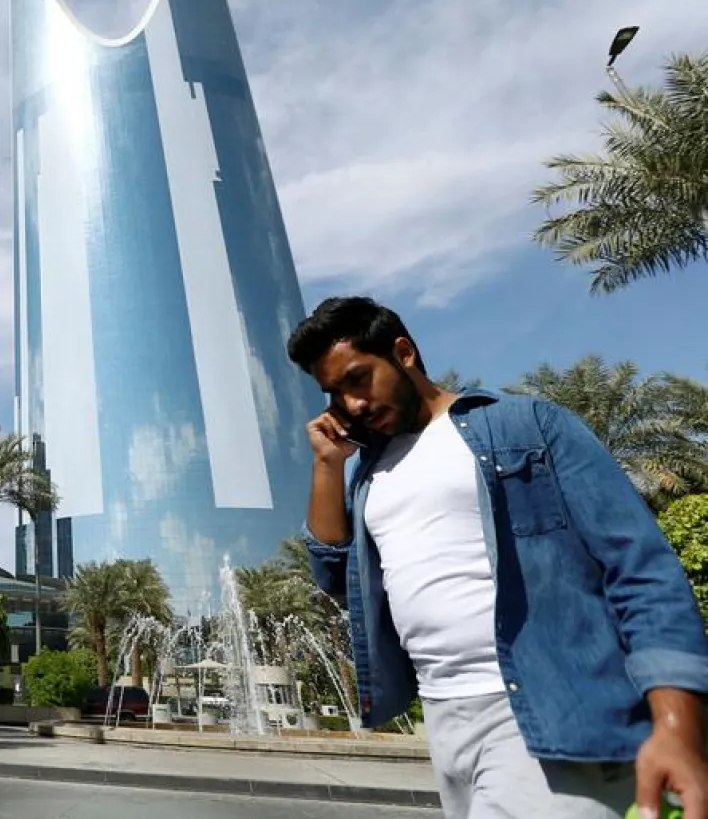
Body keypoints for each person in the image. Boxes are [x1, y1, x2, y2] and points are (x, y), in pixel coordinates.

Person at [286, 296, 708, 819]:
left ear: (403, 353)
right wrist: (328, 466)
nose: (350, 405)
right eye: (334, 393)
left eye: (357, 379)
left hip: (544, 707)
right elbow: (335, 577)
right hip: (444, 718)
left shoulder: (525, 426)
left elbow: (639, 568)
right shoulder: (369, 476)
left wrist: (676, 726)